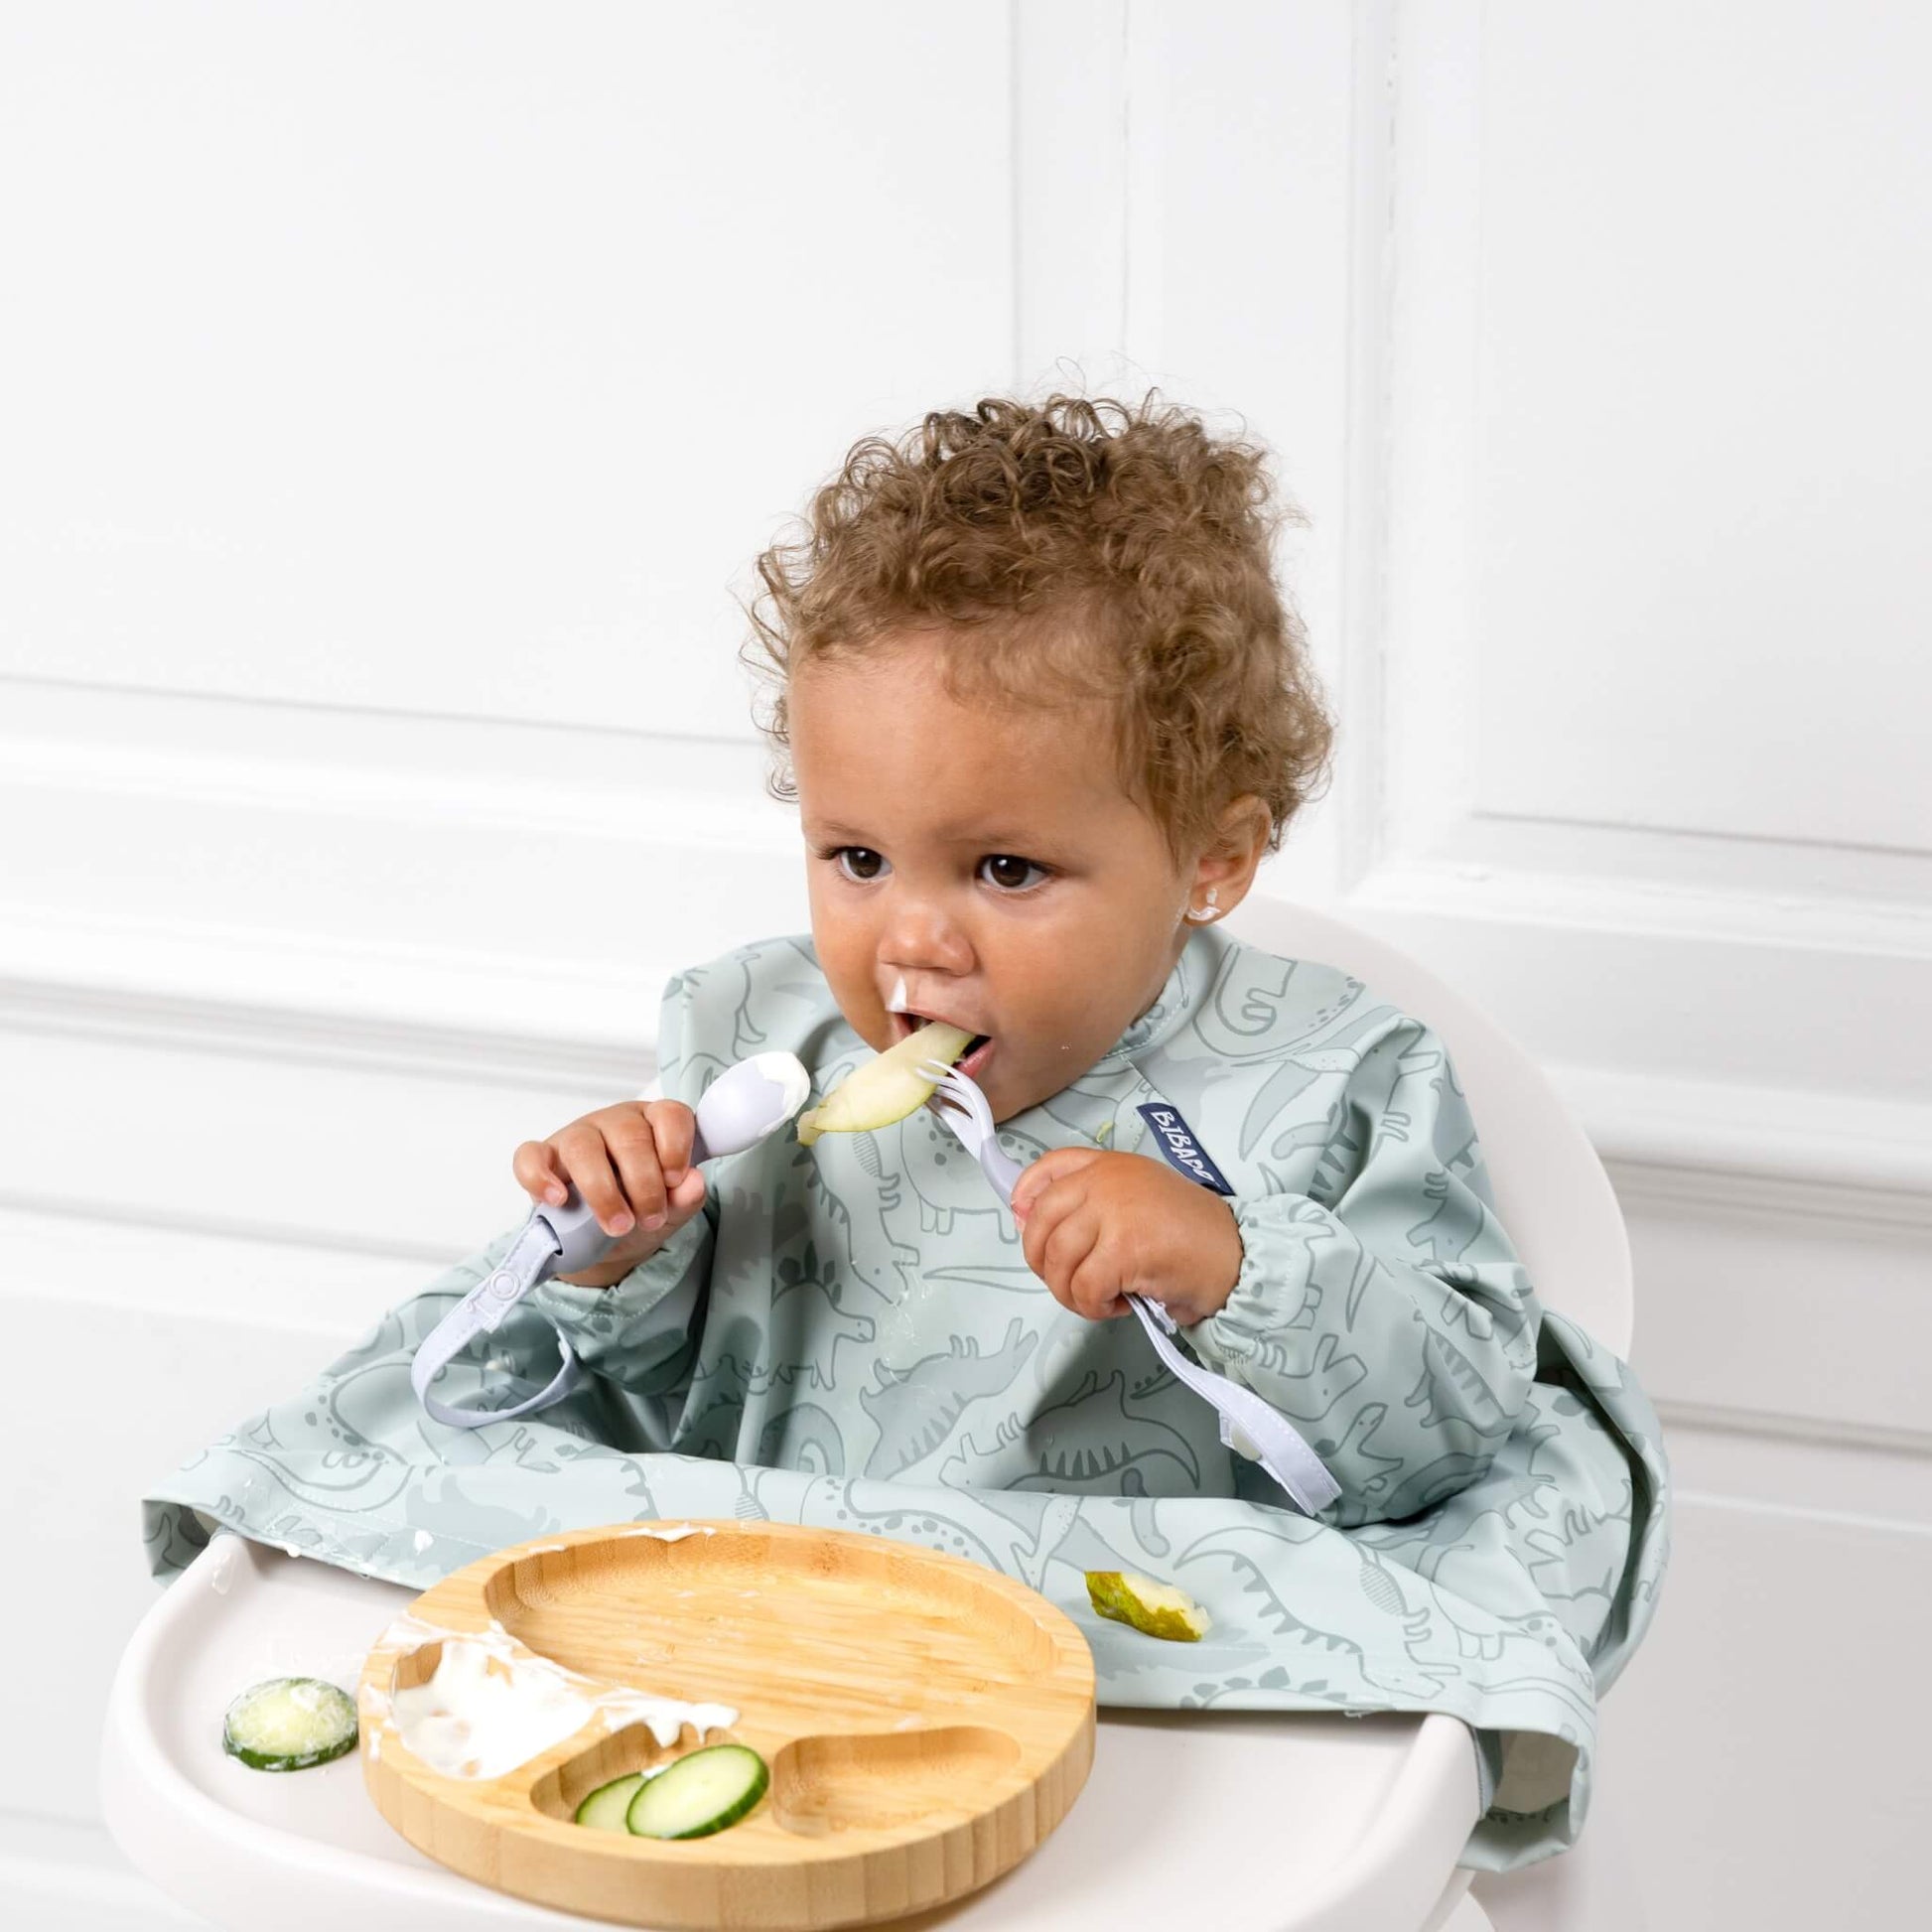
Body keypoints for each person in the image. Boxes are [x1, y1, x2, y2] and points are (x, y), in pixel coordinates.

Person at [145, 394, 1667, 1868]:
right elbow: (613, 1410)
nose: (910, 943)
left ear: (1212, 853)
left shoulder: (1339, 1074)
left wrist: (1232, 1258)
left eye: (1004, 868)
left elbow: (1462, 1432)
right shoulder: (764, 1045)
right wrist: (609, 1256)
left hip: (1146, 1710)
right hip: (755, 1642)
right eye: (856, 855)